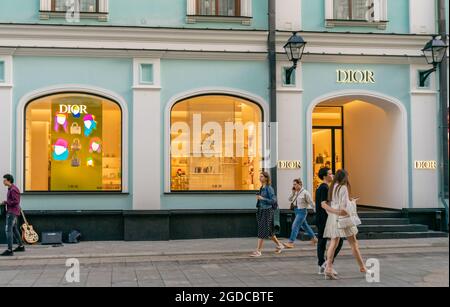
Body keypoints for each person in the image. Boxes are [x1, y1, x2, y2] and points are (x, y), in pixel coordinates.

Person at [321, 170, 368, 280]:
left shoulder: (332, 187)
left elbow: (334, 202)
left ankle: (328, 268)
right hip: (343, 219)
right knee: (353, 243)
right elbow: (344, 209)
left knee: (333, 242)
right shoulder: (343, 188)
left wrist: (348, 200)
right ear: (344, 178)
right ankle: (362, 267)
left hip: (333, 218)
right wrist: (352, 203)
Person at [316, 167, 343, 275]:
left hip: (321, 218)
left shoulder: (322, 187)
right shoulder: (324, 188)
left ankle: (323, 264)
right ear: (324, 176)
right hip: (325, 219)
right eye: (330, 174)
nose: (332, 176)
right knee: (337, 241)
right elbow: (324, 204)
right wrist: (335, 213)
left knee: (323, 242)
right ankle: (326, 263)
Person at [250, 171, 284, 257]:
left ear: (266, 178)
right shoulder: (262, 187)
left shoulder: (269, 188)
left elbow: (273, 201)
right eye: (259, 176)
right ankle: (280, 245)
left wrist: (262, 198)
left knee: (261, 230)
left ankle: (258, 251)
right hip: (261, 210)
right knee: (269, 232)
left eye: (261, 176)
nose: (259, 178)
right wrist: (259, 198)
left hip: (267, 211)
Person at [283, 179, 318, 248]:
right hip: (296, 211)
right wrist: (293, 193)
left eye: (295, 184)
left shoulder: (305, 193)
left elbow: (311, 203)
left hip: (302, 212)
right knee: (305, 226)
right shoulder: (295, 192)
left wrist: (316, 211)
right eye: (293, 184)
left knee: (295, 225)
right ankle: (314, 238)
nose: (294, 186)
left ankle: (291, 242)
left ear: (300, 184)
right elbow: (289, 199)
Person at [1, 174, 25, 257]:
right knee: (14, 230)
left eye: (4, 180)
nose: (3, 181)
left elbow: (16, 201)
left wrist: (6, 202)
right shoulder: (11, 189)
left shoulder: (13, 189)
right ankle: (21, 246)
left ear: (9, 180)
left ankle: (9, 250)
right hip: (13, 212)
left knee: (8, 230)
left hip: (12, 212)